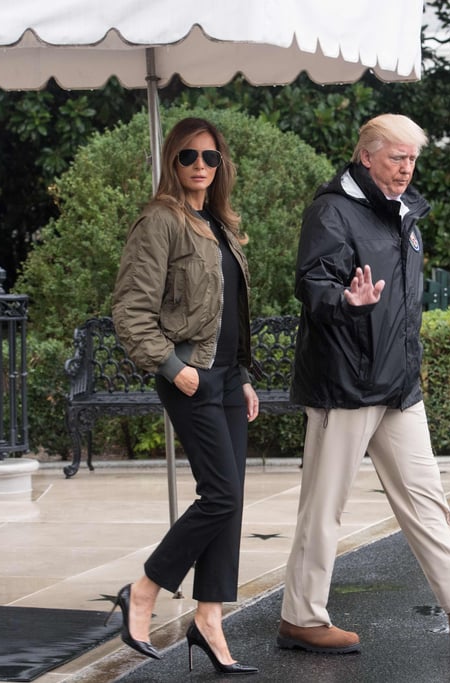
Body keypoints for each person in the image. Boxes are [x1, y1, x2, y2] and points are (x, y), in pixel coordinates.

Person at [277, 113, 450, 654]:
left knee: (428, 500)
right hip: (344, 383)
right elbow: (313, 284)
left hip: (397, 385)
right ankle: (301, 617)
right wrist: (345, 301)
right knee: (324, 508)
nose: (406, 169)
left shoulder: (404, 213)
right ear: (366, 155)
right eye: (397, 157)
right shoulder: (332, 210)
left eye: (412, 159)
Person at [109, 117, 259, 675]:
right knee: (219, 494)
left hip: (224, 380)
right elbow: (130, 311)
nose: (200, 165)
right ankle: (145, 588)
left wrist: (241, 374)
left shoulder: (219, 225)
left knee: (232, 498)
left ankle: (210, 618)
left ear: (222, 165)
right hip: (190, 378)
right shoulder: (159, 222)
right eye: (189, 157)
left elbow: (230, 314)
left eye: (211, 157)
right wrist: (174, 369)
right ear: (173, 161)